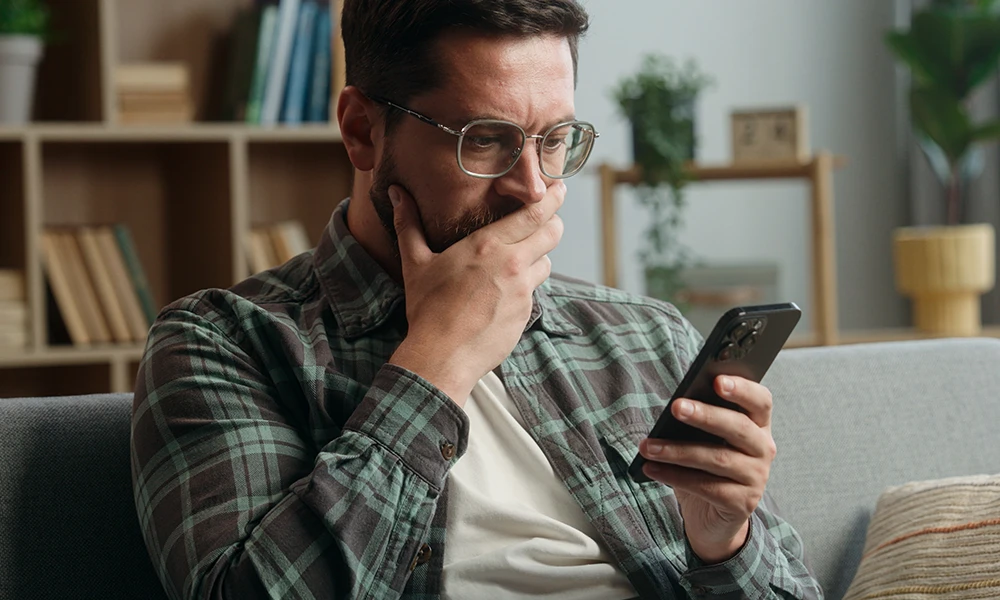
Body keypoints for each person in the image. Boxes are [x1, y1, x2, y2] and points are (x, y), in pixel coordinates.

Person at [130, 1, 823, 598]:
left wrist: (722, 543)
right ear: (362, 131)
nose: (531, 187)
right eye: (485, 140)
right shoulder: (223, 343)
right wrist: (437, 360)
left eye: (554, 141)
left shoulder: (644, 336)